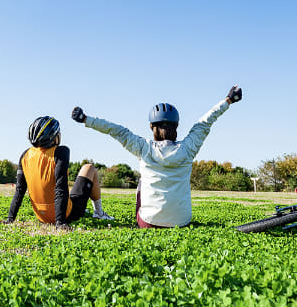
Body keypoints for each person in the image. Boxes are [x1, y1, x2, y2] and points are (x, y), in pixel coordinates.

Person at [71, 85, 243, 228]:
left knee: (141, 182)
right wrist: (228, 100)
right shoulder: (188, 148)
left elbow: (116, 131)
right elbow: (205, 122)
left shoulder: (143, 148)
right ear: (176, 126)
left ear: (151, 126)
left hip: (149, 223)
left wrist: (86, 119)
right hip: (182, 222)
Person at [6, 115, 114, 228]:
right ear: (54, 136)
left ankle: (84, 211)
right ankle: (99, 213)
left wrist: (10, 219)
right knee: (89, 168)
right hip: (65, 215)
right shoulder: (61, 152)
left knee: (70, 195)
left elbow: (19, 191)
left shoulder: (25, 155)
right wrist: (60, 222)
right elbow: (60, 188)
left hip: (41, 217)